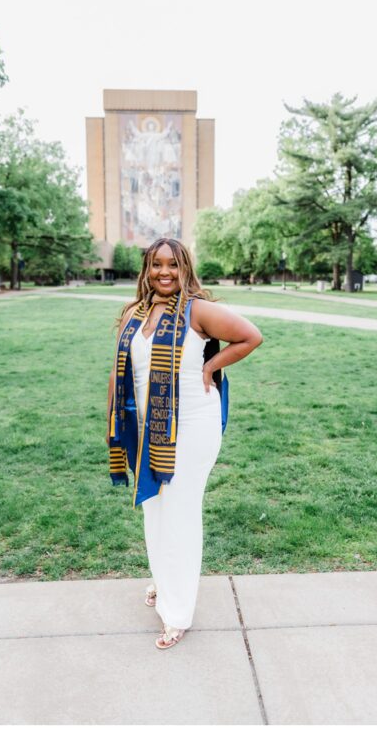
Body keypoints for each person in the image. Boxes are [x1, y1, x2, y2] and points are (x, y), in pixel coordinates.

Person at [107, 238, 263, 650]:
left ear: (185, 268)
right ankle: (163, 578)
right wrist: (113, 424)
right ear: (146, 269)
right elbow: (119, 371)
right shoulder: (133, 315)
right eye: (157, 264)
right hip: (148, 429)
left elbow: (250, 336)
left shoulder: (197, 310)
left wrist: (211, 366)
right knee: (155, 509)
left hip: (193, 425)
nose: (164, 272)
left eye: (173, 265)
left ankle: (177, 613)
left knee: (179, 511)